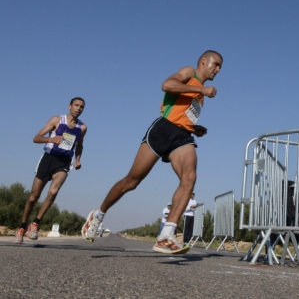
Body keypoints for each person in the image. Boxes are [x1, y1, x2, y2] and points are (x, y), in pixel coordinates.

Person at [81, 51, 223, 254]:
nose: (217, 70)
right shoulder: (189, 72)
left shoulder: (201, 95)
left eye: (219, 67)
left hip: (182, 137)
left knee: (189, 177)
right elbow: (166, 85)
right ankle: (98, 214)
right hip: (163, 129)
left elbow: (182, 113)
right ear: (203, 61)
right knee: (131, 181)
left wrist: (194, 128)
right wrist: (200, 88)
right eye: (216, 65)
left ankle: (167, 235)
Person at [13, 97, 87, 244]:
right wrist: (51, 140)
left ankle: (35, 224)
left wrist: (77, 160)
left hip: (64, 162)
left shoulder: (82, 128)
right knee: (34, 196)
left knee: (53, 192)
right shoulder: (57, 120)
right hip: (48, 158)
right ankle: (22, 227)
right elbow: (36, 138)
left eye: (81, 107)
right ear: (69, 106)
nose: (78, 108)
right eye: (76, 105)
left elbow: (79, 146)